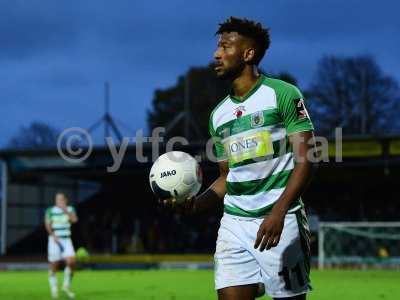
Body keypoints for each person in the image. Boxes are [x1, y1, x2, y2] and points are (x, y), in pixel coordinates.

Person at [163, 17, 315, 300]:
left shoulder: (282, 94)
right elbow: (226, 177)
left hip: (281, 220)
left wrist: (279, 212)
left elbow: (306, 162)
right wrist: (196, 205)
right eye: (217, 47)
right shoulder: (218, 116)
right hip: (234, 222)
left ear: (248, 54)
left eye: (225, 46)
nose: (216, 54)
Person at [45, 192, 78, 299]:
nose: (59, 201)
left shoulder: (70, 209)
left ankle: (66, 286)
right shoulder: (50, 210)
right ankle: (54, 288)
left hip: (66, 239)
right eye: (57, 199)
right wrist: (53, 235)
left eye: (61, 199)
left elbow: (74, 220)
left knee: (72, 262)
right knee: (54, 265)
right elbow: (47, 224)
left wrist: (65, 210)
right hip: (55, 240)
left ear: (65, 200)